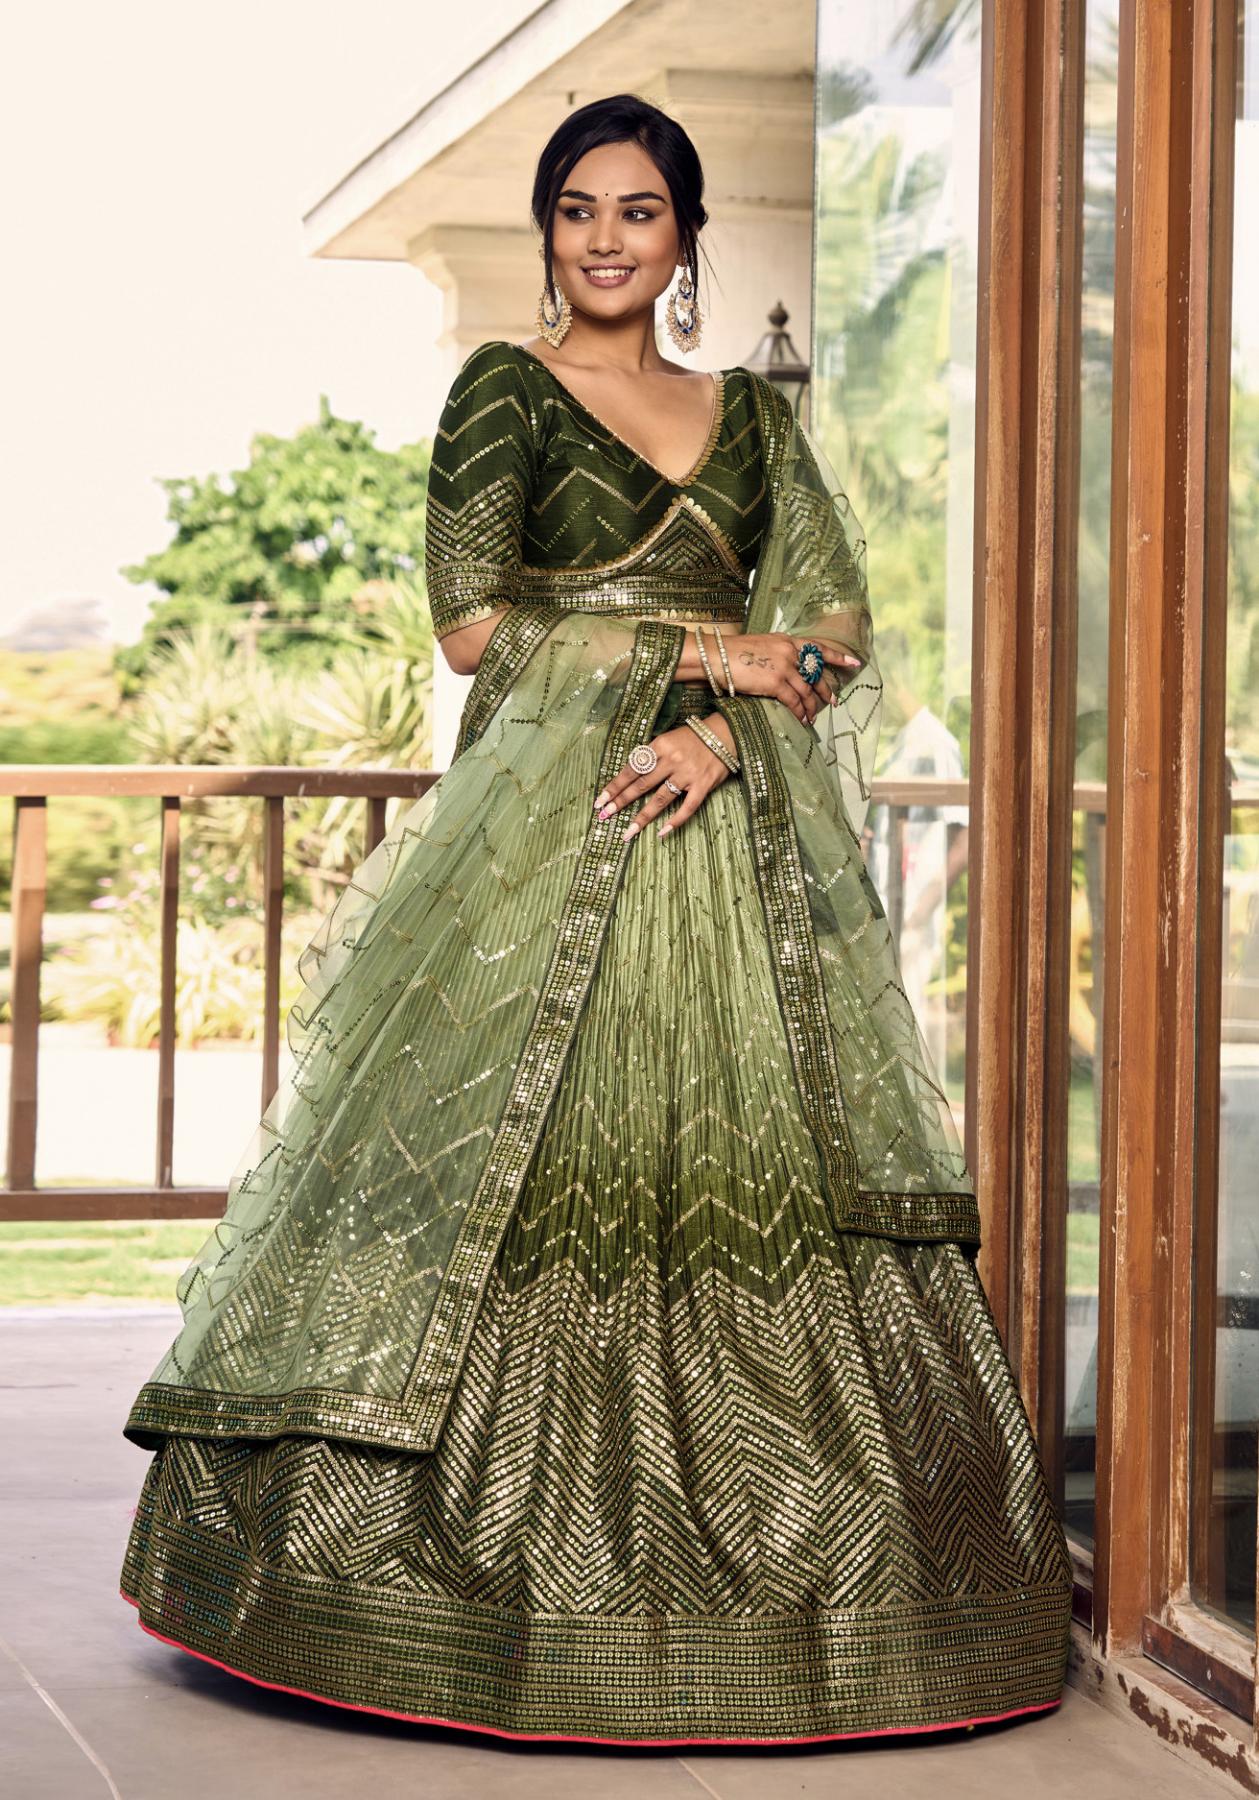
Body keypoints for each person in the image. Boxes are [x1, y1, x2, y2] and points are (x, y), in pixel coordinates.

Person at [118, 92, 1073, 1747]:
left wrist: (726, 733)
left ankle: (823, 1603)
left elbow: (832, 628)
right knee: (512, 1158)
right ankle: (450, 1600)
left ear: (687, 234)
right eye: (578, 210)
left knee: (749, 1170)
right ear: (549, 232)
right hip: (545, 840)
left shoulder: (753, 420)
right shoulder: (505, 391)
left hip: (726, 839)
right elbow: (475, 630)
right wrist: (711, 653)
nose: (606, 239)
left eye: (639, 211)